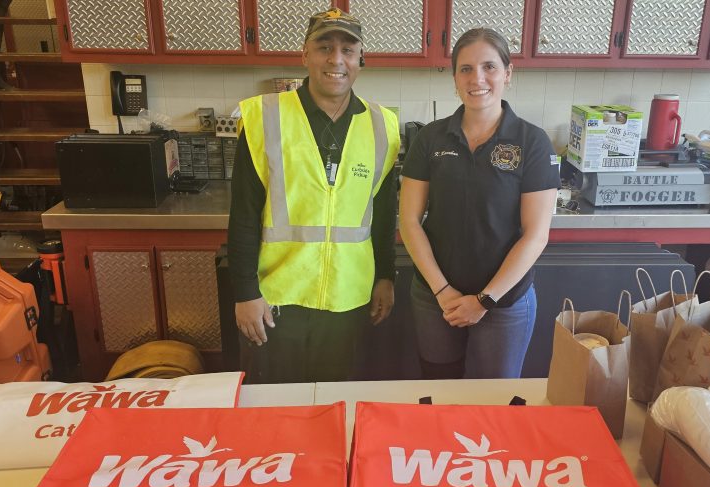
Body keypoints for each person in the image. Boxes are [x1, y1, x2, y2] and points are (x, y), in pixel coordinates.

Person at [228, 8, 400, 384]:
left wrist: (385, 276)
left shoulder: (383, 126)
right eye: (324, 47)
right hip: (276, 300)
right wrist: (245, 292)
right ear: (304, 55)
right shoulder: (264, 117)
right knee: (277, 405)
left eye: (347, 50)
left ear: (361, 59)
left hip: (349, 301)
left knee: (338, 405)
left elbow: (385, 214)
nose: (336, 59)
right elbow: (242, 214)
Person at [399, 28, 559, 380]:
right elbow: (409, 221)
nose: (478, 79)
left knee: (495, 400)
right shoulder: (430, 138)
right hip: (435, 298)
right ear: (455, 77)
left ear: (508, 73)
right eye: (466, 69)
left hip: (505, 302)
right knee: (439, 391)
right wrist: (443, 291)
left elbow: (535, 235)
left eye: (489, 67)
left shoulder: (532, 142)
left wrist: (485, 299)